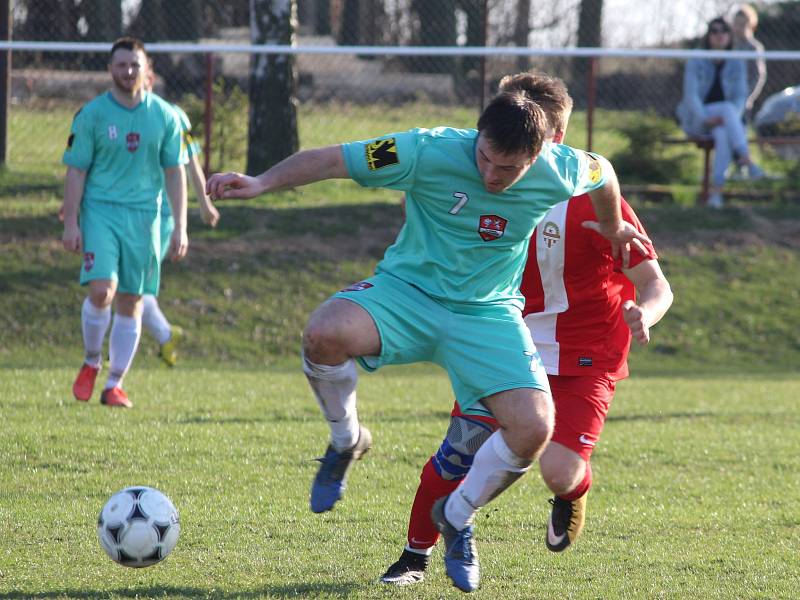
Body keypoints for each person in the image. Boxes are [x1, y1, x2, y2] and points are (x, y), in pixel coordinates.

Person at [207, 81, 651, 593]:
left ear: (539, 154)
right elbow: (333, 159)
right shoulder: (426, 148)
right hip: (407, 294)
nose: (490, 174)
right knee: (323, 333)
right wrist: (262, 182)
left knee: (533, 429)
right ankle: (347, 440)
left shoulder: (561, 167)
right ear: (477, 136)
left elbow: (605, 172)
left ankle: (457, 516)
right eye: (484, 158)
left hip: (486, 315)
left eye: (507, 169)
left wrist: (615, 227)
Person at [379, 72, 674, 587]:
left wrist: (643, 314)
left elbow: (656, 284)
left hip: (586, 353)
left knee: (558, 472)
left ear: (554, 139)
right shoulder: (477, 181)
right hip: (502, 345)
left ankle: (571, 495)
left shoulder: (597, 200)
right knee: (458, 451)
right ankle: (413, 558)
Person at [62, 37, 189, 408]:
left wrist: (180, 225)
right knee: (102, 291)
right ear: (109, 70)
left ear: (146, 69)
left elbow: (176, 172)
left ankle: (114, 384)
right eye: (121, 65)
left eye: (135, 65)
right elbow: (76, 171)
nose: (128, 71)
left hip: (145, 217)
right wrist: (72, 222)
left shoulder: (164, 115)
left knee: (132, 300)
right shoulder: (92, 115)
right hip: (101, 211)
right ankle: (90, 361)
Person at [140, 65, 220, 367]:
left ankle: (159, 336)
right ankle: (160, 337)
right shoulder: (114, 115)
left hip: (161, 217)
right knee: (122, 283)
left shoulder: (172, 116)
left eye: (141, 74)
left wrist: (204, 204)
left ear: (150, 79)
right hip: (126, 213)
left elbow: (191, 165)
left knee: (129, 284)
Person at [676, 17, 766, 209]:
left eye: (724, 31)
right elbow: (691, 96)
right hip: (698, 119)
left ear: (729, 35)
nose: (719, 35)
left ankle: (716, 194)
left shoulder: (736, 61)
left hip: (725, 123)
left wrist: (727, 118)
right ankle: (746, 159)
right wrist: (706, 119)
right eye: (714, 31)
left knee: (723, 134)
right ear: (708, 35)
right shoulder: (697, 58)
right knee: (726, 109)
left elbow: (741, 97)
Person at [732, 4, 767, 116]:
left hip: (743, 98)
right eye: (736, 24)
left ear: (751, 25)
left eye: (742, 24)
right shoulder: (730, 45)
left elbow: (758, 75)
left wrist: (747, 97)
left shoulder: (754, 47)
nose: (739, 28)